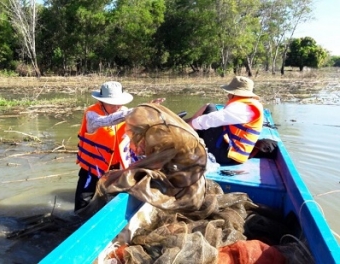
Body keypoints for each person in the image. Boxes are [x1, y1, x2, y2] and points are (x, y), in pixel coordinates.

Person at [75, 81, 164, 211]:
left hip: (117, 168)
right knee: (83, 202)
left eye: (119, 102)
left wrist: (148, 113)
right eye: (112, 103)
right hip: (93, 168)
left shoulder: (125, 111)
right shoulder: (92, 114)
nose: (117, 106)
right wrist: (138, 111)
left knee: (112, 199)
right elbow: (106, 120)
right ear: (102, 101)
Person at [185, 76, 264, 165]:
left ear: (235, 94)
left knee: (209, 108)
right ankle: (187, 126)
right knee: (209, 108)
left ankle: (185, 131)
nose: (228, 95)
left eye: (230, 92)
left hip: (228, 156)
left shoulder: (243, 108)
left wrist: (189, 126)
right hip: (232, 151)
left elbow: (212, 119)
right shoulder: (249, 104)